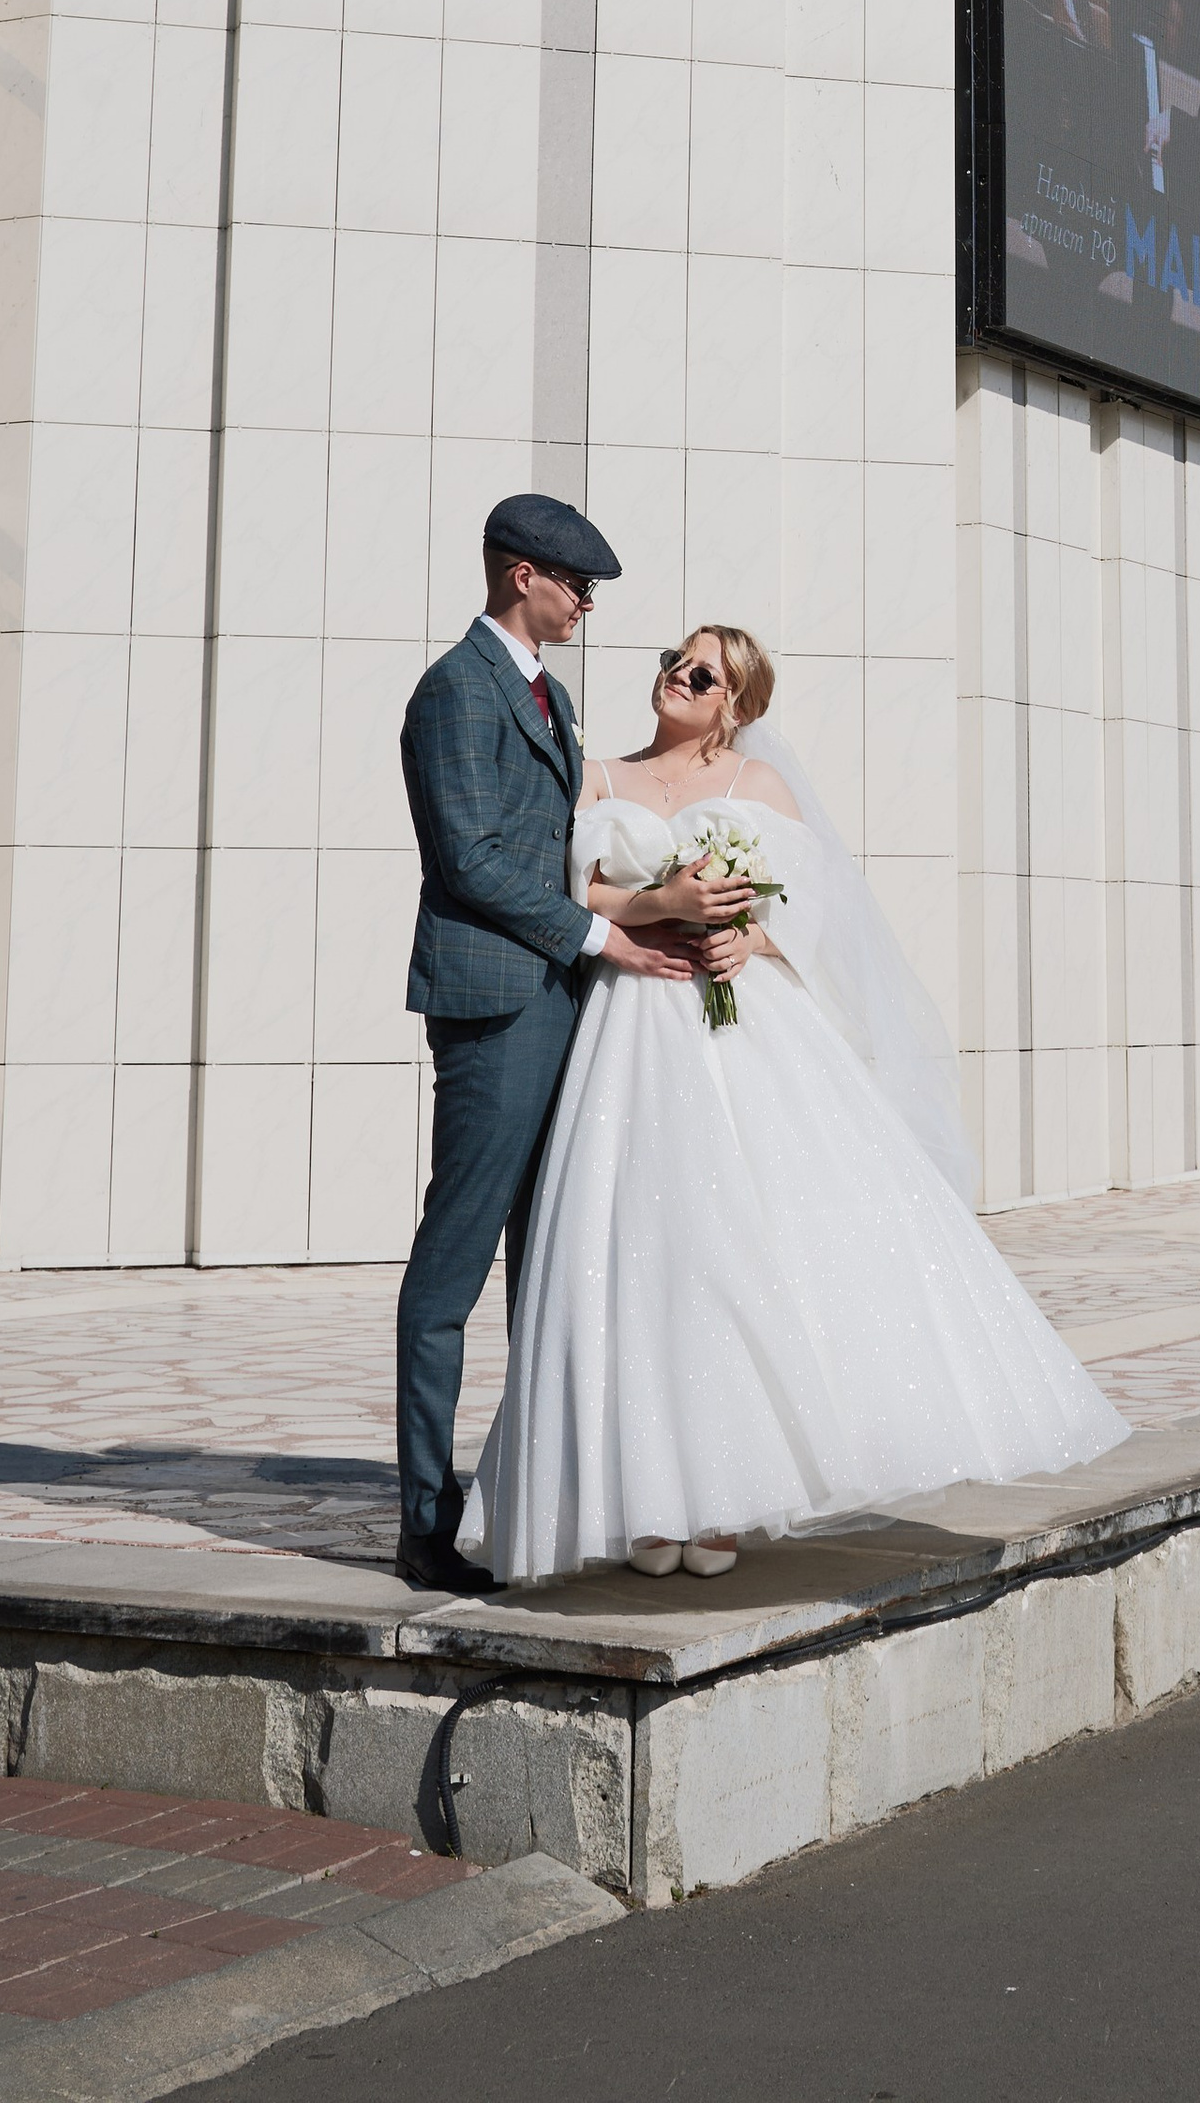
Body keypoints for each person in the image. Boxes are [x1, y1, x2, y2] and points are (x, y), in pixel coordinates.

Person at [460, 622, 1128, 1586]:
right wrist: (668, 905)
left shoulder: (758, 792)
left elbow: (815, 914)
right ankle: (644, 1497)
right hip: (632, 1021)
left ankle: (724, 1491)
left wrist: (750, 946)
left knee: (738, 1243)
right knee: (638, 1250)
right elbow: (581, 894)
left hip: (736, 1035)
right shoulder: (597, 772)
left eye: (700, 674)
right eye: (670, 662)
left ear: (734, 703)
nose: (674, 681)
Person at [391, 497, 751, 1593]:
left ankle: (542, 1495)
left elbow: (557, 850)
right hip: (498, 1008)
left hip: (567, 1005)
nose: (587, 604)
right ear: (520, 577)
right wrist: (608, 930)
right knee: (454, 1264)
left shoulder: (550, 694)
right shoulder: (456, 691)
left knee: (555, 1267)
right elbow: (472, 863)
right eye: (574, 585)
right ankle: (423, 1522)